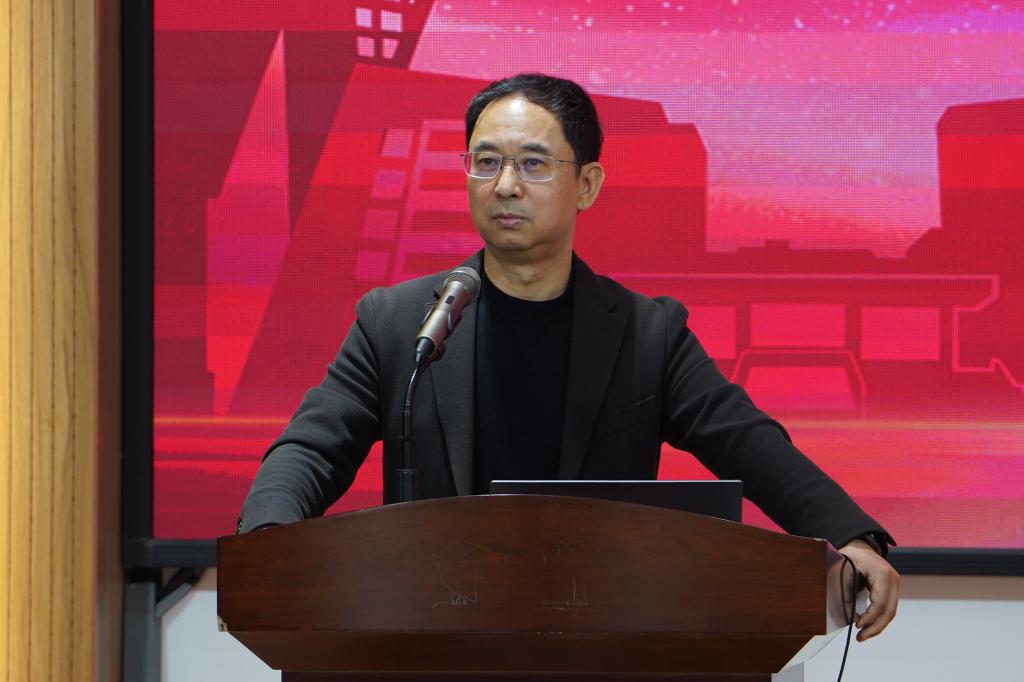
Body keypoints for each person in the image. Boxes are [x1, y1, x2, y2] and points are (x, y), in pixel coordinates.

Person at [238, 73, 899, 640]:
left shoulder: (647, 334)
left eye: (533, 164)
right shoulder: (402, 323)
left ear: (586, 184)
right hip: (435, 640)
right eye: (485, 162)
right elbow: (313, 447)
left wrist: (850, 535)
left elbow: (746, 441)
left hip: (598, 643)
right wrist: (267, 540)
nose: (505, 185)